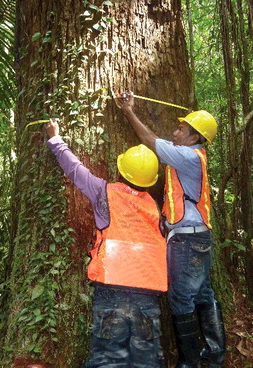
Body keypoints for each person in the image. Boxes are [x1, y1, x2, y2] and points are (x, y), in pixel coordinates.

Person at [44, 118, 167, 368]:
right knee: (146, 358)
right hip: (147, 290)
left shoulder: (104, 192)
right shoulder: (154, 206)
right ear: (150, 180)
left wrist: (55, 139)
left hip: (112, 288)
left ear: (120, 171)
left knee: (109, 357)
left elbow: (75, 169)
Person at [115, 92, 226, 368]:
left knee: (180, 298)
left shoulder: (187, 157)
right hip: (198, 236)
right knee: (203, 294)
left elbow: (150, 141)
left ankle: (189, 362)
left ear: (194, 138)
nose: (175, 132)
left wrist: (128, 111)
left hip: (188, 242)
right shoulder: (193, 156)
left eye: (181, 129)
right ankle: (214, 357)